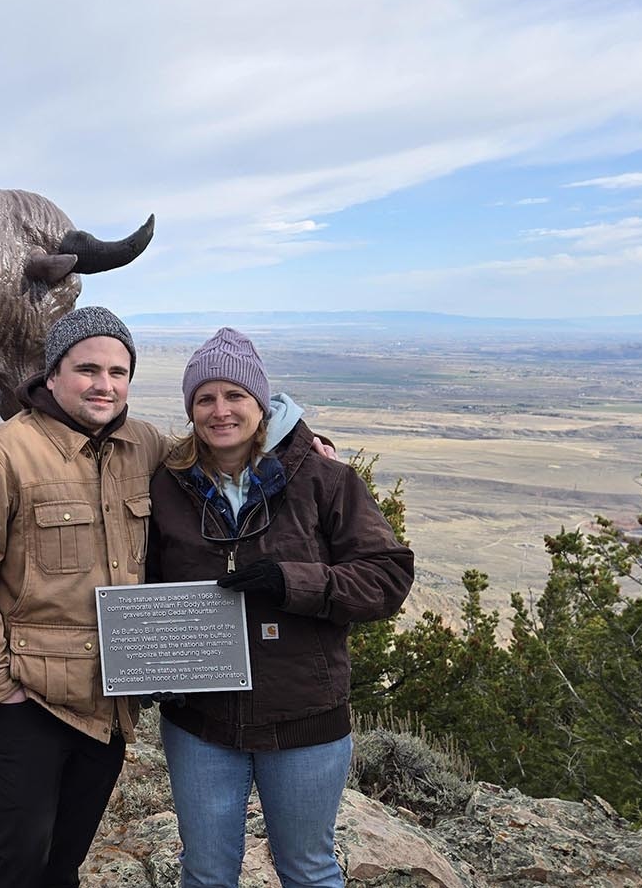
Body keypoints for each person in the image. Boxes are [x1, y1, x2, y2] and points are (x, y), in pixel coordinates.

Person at [146, 327, 414, 888]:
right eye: (205, 399)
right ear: (190, 408)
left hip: (305, 719)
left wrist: (293, 582)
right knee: (205, 873)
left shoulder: (324, 478)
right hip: (200, 721)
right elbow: (141, 581)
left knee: (309, 871)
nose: (221, 411)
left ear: (261, 403)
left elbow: (387, 577)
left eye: (235, 396)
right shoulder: (165, 486)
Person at [0, 306, 166, 887]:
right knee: (17, 862)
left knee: (65, 861)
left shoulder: (145, 445)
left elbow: (220, 450)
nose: (103, 384)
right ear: (53, 374)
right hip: (27, 701)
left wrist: (296, 439)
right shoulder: (2, 454)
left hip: (108, 699)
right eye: (87, 368)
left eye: (117, 371)